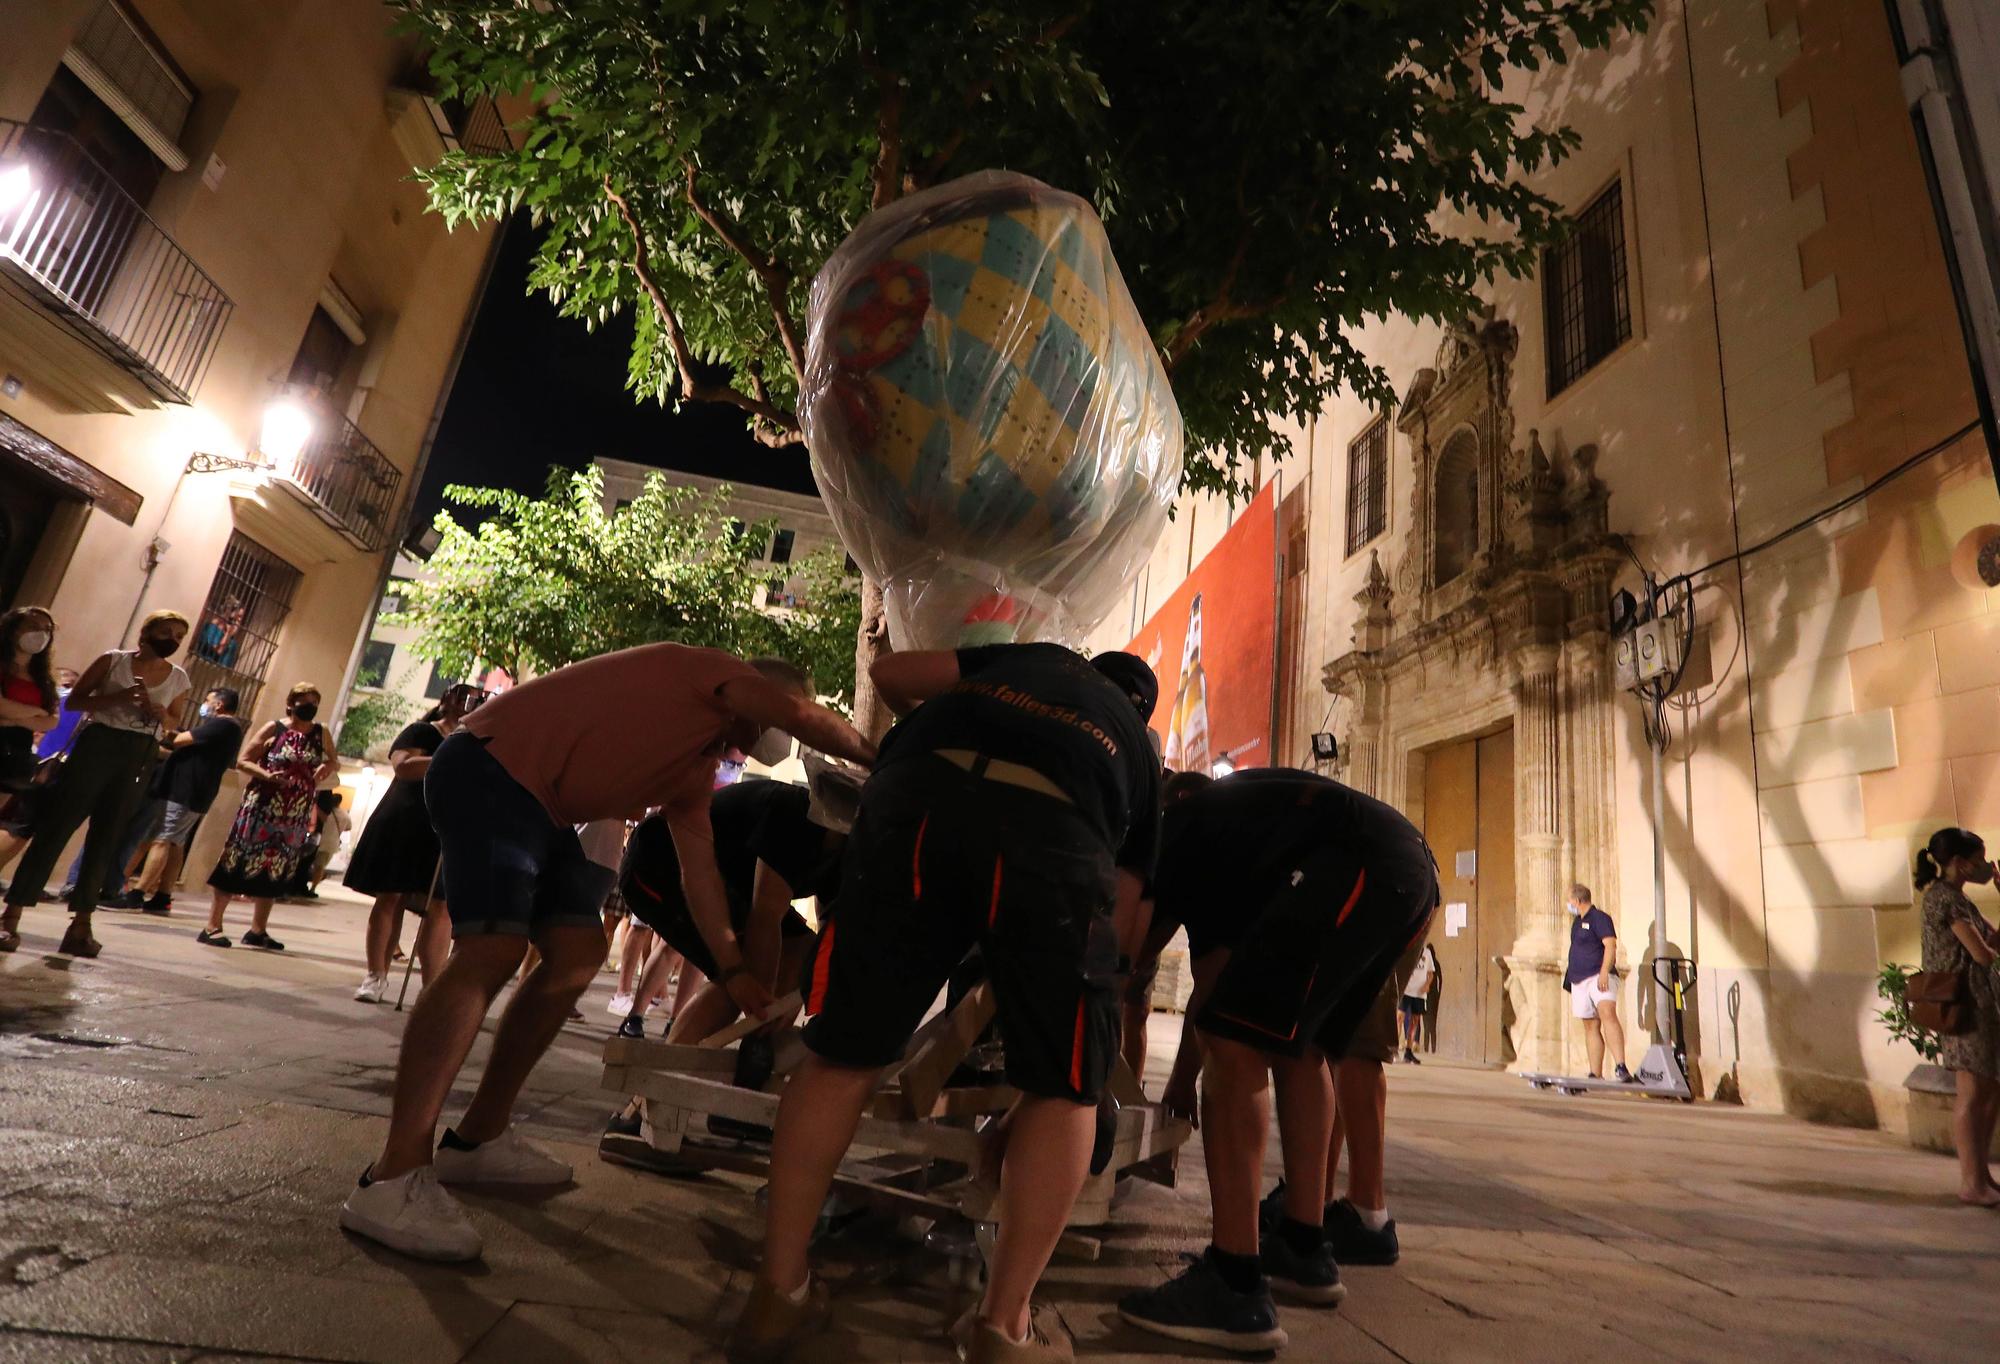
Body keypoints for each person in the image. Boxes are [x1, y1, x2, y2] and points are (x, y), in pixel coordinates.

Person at [338, 645, 873, 1263]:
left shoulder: (695, 770)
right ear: (761, 697)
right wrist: (883, 758)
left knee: (577, 953)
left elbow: (701, 880)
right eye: (770, 719)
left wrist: (734, 972)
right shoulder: (704, 671)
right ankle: (392, 1176)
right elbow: (796, 716)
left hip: (544, 809)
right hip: (487, 769)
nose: (759, 740)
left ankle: (477, 1138)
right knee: (493, 949)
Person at [732, 645, 1161, 1364]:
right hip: (1053, 826)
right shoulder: (1137, 752)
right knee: (1067, 1088)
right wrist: (1044, 1084)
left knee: (842, 1053)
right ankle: (1004, 1327)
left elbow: (889, 674)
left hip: (914, 795)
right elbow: (1120, 925)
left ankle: (778, 1297)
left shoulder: (1027, 658)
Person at [1118, 768, 1437, 1355]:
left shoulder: (1177, 836)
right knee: (1302, 1046)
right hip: (1409, 871)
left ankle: (1234, 1284)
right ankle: (1301, 1244)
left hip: (1357, 863)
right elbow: (1214, 991)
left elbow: (1126, 958)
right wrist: (1177, 1089)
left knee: (1238, 1046)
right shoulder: (1238, 837)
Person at [1, 611, 190, 958]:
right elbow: (74, 700)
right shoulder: (113, 660)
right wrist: (117, 699)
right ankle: (11, 914)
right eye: (167, 632)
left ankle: (81, 923)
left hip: (139, 751)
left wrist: (159, 712)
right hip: (98, 743)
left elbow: (175, 722)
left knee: (109, 836)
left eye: (180, 635)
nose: (174, 640)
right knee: (57, 827)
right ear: (147, 633)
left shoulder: (178, 677)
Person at [612, 777, 844, 1043]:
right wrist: (759, 1001)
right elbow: (765, 918)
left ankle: (760, 1046)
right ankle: (664, 1075)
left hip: (727, 882)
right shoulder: (797, 817)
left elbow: (829, 937)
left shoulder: (848, 851)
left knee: (802, 947)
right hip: (658, 861)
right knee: (738, 982)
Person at [346, 687, 482, 1002]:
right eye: (466, 698)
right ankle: (375, 975)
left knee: (440, 906)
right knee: (391, 897)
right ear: (448, 701)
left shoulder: (473, 743)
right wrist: (449, 756)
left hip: (445, 830)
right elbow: (403, 766)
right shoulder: (422, 731)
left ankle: (432, 988)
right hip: (405, 822)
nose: (470, 705)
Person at [200, 683, 335, 949]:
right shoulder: (275, 728)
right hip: (262, 806)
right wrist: (266, 775)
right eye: (304, 701)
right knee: (238, 859)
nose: (309, 707)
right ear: (291, 703)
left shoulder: (321, 733)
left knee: (277, 866)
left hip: (294, 813)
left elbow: (334, 760)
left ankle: (258, 929)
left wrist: (327, 767)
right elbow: (244, 760)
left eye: (313, 702)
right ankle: (212, 925)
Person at [1915, 827, 2000, 1206]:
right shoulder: (1944, 900)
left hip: (1980, 1003)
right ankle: (1971, 1182)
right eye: (1980, 859)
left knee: (1988, 1090)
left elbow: (1993, 942)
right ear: (1960, 864)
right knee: (1971, 1093)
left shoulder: (1959, 899)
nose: (1986, 866)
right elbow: (1983, 954)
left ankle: (1982, 1176)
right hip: (1964, 1005)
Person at [118, 687, 246, 915]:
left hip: (186, 791)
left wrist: (162, 721)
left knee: (161, 839)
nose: (204, 704)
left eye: (207, 700)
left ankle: (137, 893)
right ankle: (163, 895)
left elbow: (180, 740)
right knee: (176, 842)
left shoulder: (223, 724)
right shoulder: (226, 728)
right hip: (195, 792)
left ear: (219, 704)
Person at [0, 607, 63, 951]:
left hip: (16, 754)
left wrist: (11, 717)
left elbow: (51, 722)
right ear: (13, 629)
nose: (40, 632)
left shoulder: (42, 679)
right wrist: (30, 716)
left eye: (47, 628)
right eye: (33, 626)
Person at [1565, 883, 1633, 1083]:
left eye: (1569, 900)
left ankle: (1621, 1066)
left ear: (1577, 901)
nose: (1568, 904)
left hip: (1599, 976)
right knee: (1590, 1025)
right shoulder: (1577, 922)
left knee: (1608, 1014)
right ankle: (1595, 1072)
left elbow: (1610, 946)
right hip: (1579, 979)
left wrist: (1604, 972)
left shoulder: (1600, 918)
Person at [1399, 943, 1439, 1064]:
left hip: (1420, 993)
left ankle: (1408, 1051)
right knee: (1399, 1017)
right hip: (1406, 990)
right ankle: (1393, 1048)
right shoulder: (1408, 951)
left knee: (1415, 1021)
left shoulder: (1427, 953)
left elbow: (1431, 973)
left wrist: (1427, 985)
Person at [308, 790, 350, 892]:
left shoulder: (324, 812)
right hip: (330, 844)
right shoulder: (344, 815)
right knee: (320, 867)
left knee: (308, 864)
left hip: (317, 840)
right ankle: (313, 888)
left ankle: (303, 885)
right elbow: (348, 828)